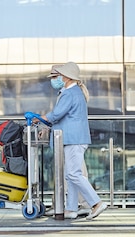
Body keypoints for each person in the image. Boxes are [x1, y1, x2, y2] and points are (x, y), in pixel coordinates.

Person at [40, 62, 107, 220]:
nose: (54, 80)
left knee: (73, 174)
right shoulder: (72, 92)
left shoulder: (70, 93)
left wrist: (40, 119)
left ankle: (96, 203)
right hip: (72, 139)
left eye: (57, 76)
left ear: (67, 77)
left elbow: (56, 114)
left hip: (73, 139)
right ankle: (70, 209)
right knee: (70, 175)